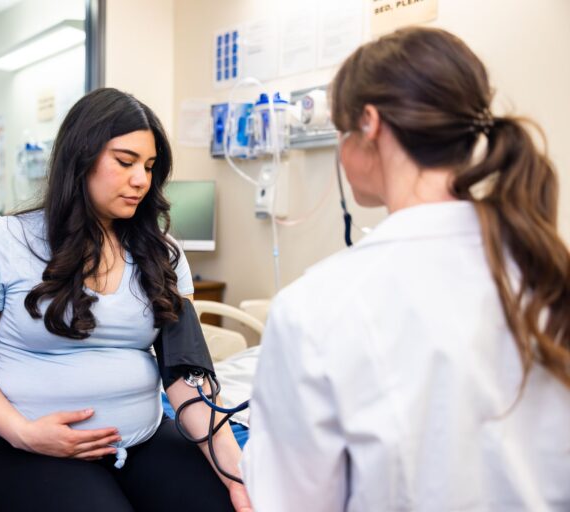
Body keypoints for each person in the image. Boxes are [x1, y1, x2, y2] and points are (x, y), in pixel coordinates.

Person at [241, 27, 570, 511]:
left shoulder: (319, 307)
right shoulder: (544, 268)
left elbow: (289, 501)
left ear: (370, 124)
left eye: (341, 129)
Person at [0, 88, 251, 512]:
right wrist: (22, 432)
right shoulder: (4, 242)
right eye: (125, 162)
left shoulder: (162, 253)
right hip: (30, 449)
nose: (141, 179)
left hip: (143, 441)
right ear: (81, 156)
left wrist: (236, 476)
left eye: (149, 166)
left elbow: (186, 378)